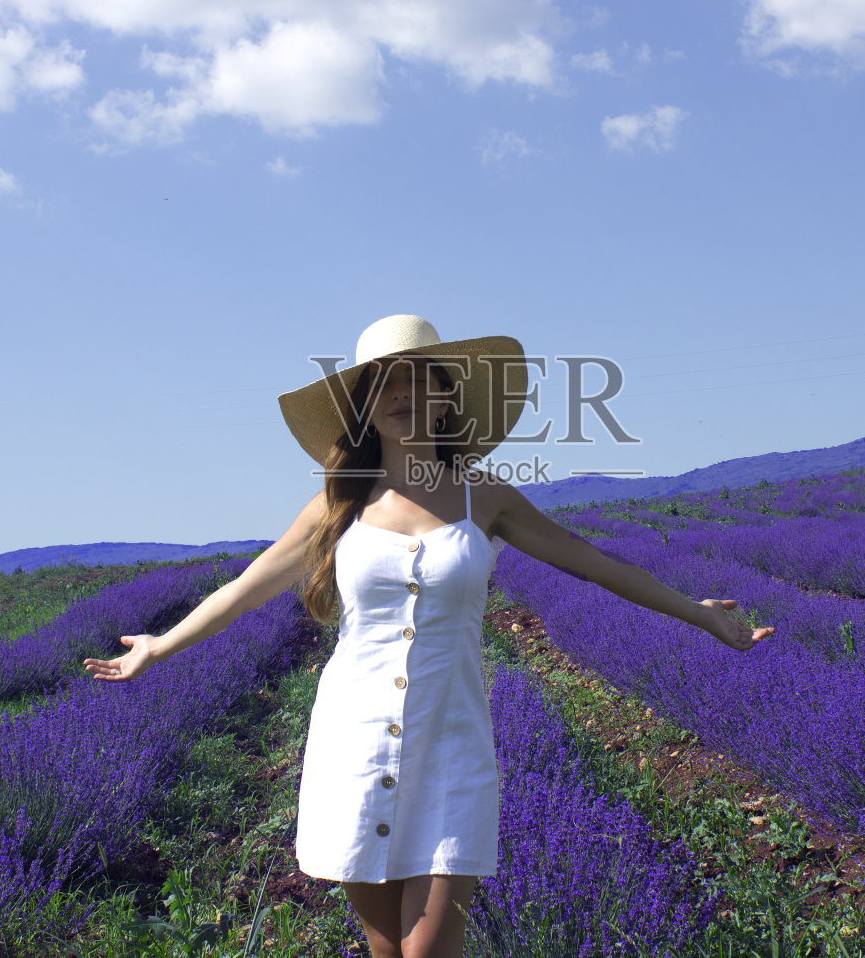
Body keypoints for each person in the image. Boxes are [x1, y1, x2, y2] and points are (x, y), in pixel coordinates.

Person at [83, 314, 775, 958]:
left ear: (446, 395)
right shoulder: (339, 502)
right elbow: (246, 587)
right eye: (386, 382)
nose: (405, 394)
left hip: (452, 748)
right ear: (363, 405)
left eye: (420, 377)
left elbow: (592, 561)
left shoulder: (485, 496)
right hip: (352, 747)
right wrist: (159, 645)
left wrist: (699, 611)